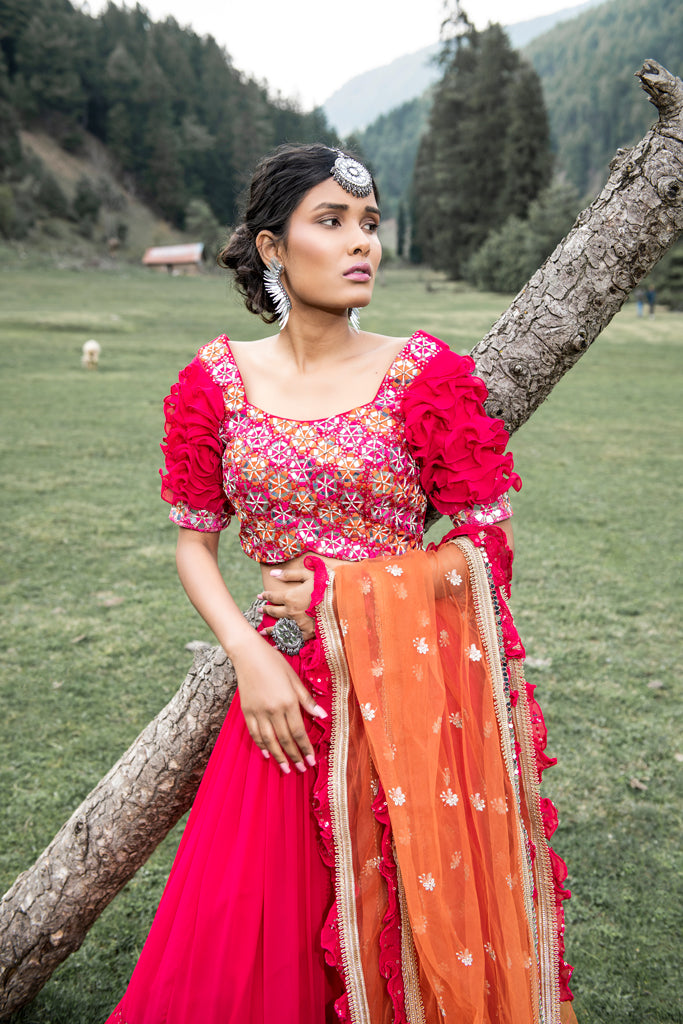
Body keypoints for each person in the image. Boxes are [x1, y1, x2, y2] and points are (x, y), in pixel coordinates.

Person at [106, 144, 577, 1024]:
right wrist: (247, 654)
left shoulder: (423, 374)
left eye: (368, 224)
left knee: (404, 925)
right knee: (253, 936)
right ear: (272, 248)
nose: (363, 244)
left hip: (403, 700)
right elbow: (193, 543)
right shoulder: (216, 381)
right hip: (283, 698)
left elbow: (484, 547)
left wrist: (344, 588)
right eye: (331, 223)